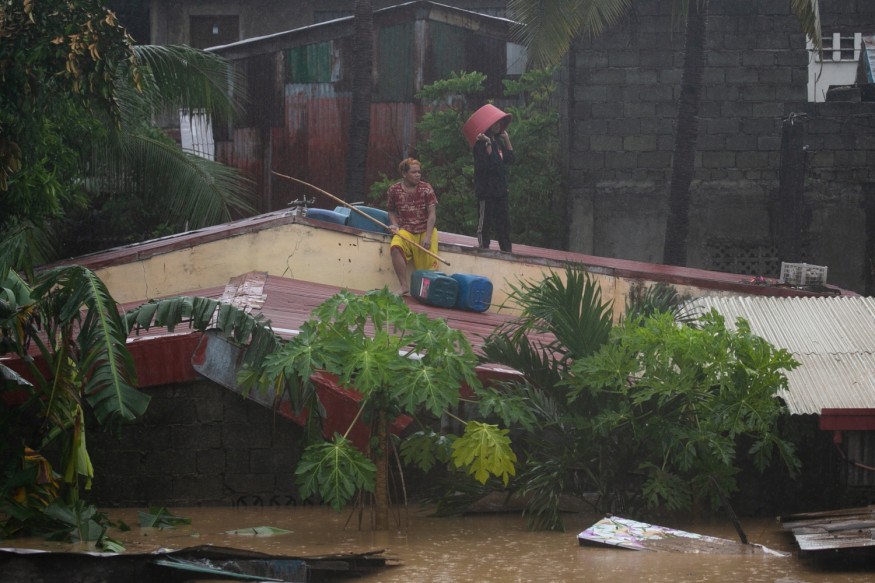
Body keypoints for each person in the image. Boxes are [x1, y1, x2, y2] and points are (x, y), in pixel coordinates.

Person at [386, 158, 438, 295]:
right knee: (395, 247)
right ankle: (404, 286)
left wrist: (427, 236)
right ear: (404, 173)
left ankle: (426, 295)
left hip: (424, 230)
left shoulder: (426, 188)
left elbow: (432, 214)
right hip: (406, 229)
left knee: (428, 269)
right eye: (414, 172)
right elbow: (391, 210)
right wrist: (394, 225)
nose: (417, 175)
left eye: (419, 172)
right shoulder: (394, 190)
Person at [473, 118, 515, 252]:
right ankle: (483, 247)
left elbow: (510, 159)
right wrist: (487, 144)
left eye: (499, 123)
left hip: (500, 190)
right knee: (485, 222)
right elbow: (489, 165)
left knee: (503, 222)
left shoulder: (498, 143)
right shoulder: (480, 145)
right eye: (495, 123)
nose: (498, 126)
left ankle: (506, 249)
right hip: (487, 191)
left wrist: (507, 139)